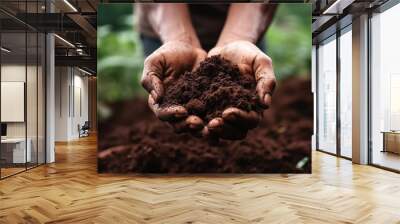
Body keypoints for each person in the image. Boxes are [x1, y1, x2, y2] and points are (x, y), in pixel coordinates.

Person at [138, 3, 277, 140]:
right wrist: (179, 38)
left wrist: (238, 37)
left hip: (246, 28)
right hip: (165, 25)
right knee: (168, 133)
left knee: (248, 128)